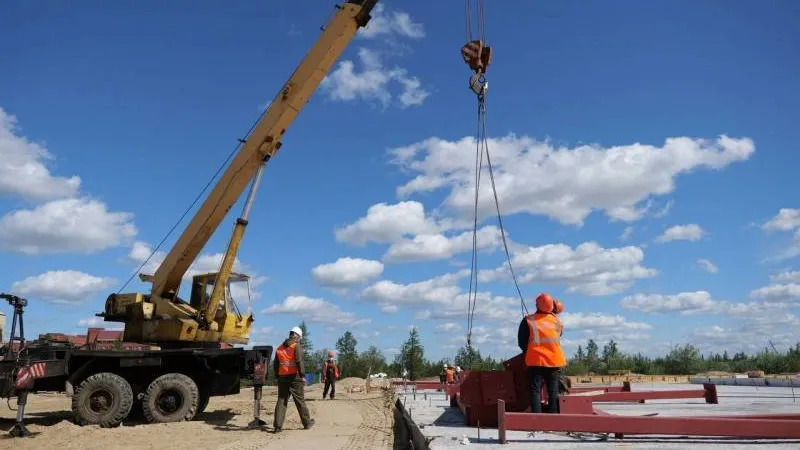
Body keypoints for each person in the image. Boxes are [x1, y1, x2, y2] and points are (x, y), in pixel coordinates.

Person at [517, 293, 566, 414]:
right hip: (554, 361)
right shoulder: (557, 321)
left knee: (535, 390)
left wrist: (528, 351)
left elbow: (522, 342)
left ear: (537, 305)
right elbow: (557, 336)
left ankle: (537, 420)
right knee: (553, 391)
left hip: (536, 361)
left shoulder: (528, 320)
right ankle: (553, 419)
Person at [273, 326, 314, 432]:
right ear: (298, 336)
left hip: (282, 377)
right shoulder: (296, 346)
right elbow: (299, 361)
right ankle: (307, 423)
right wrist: (302, 376)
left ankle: (277, 426)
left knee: (281, 400)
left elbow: (276, 364)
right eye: (300, 338)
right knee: (299, 400)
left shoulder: (279, 348)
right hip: (295, 377)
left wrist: (278, 376)